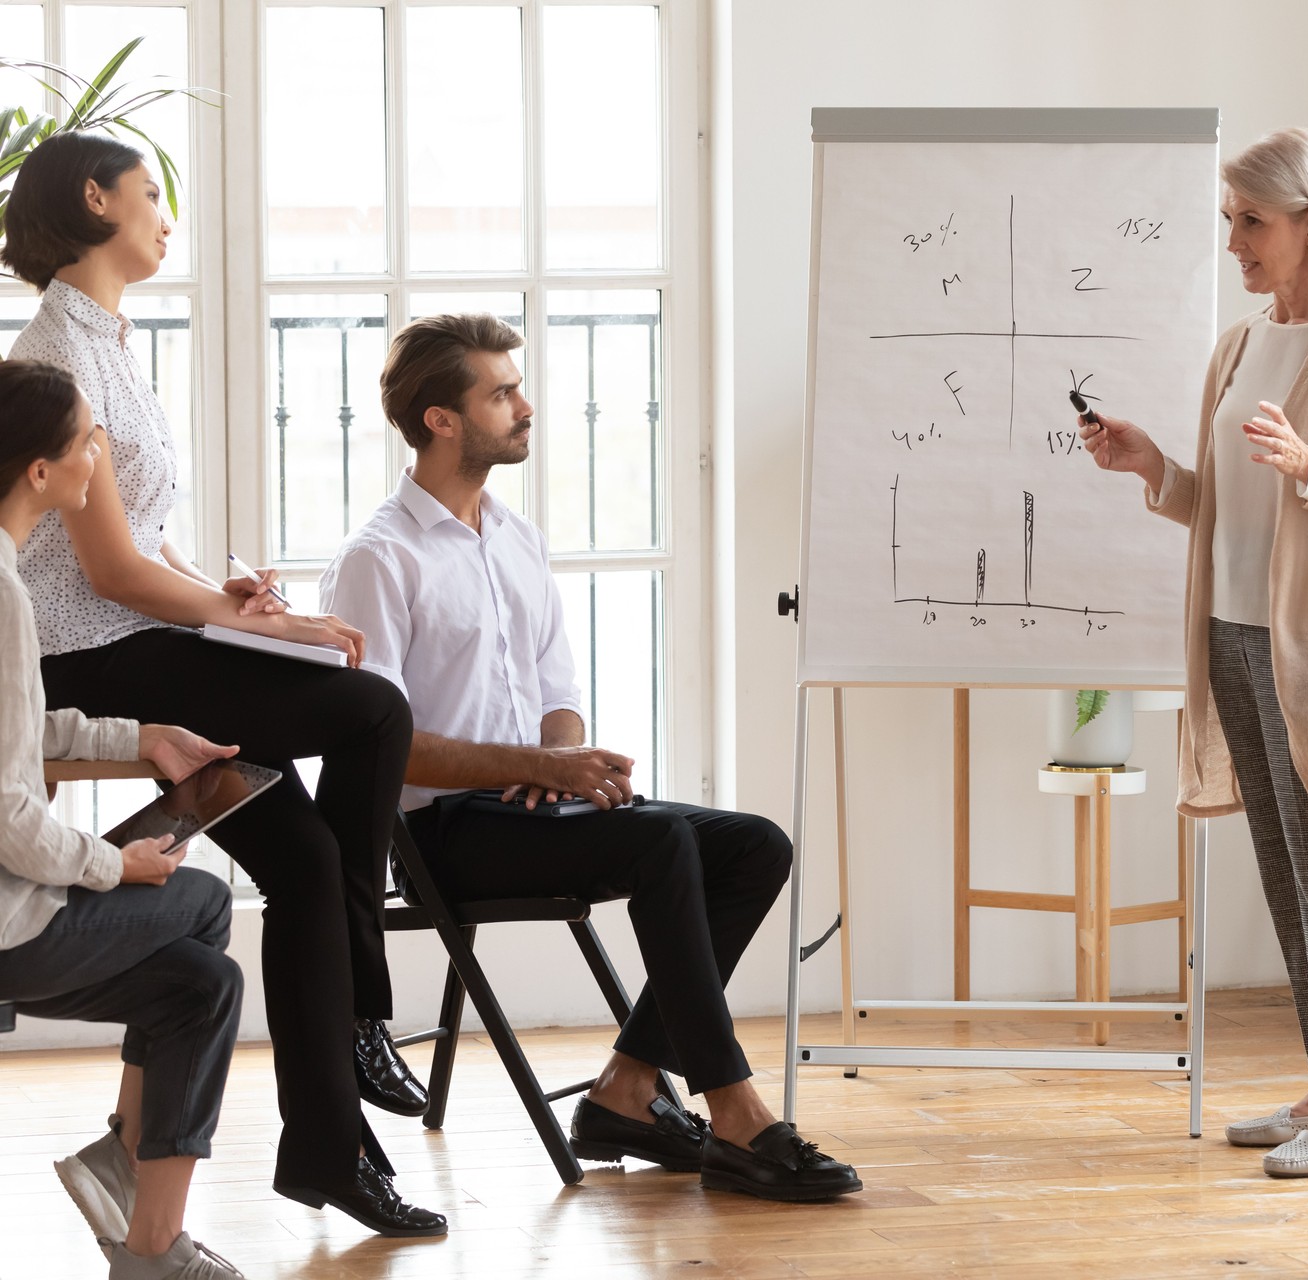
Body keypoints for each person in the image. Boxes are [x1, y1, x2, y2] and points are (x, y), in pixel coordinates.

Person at [0, 131, 443, 1236]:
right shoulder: (60, 349)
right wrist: (273, 622)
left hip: (138, 631)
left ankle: (330, 1150)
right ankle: (360, 1012)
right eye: (152, 193)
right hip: (91, 654)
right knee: (369, 705)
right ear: (94, 197)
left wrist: (229, 593)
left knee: (302, 855)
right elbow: (104, 574)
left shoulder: (110, 338)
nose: (166, 215)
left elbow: (142, 539)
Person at [318, 313, 862, 1202]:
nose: (524, 406)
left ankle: (626, 1090)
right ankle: (735, 1110)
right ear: (440, 419)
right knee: (661, 845)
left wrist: (555, 762)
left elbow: (556, 695)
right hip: (440, 834)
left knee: (754, 844)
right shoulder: (378, 559)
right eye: (500, 392)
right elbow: (385, 746)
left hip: (527, 808)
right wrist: (530, 771)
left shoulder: (516, 538)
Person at [1078, 127, 1308, 1177]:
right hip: (1236, 638)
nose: (1233, 240)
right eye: (1229, 219)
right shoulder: (1239, 346)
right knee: (1284, 870)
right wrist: (1158, 468)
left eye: (1252, 221)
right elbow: (1234, 510)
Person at [0, 360, 246, 1278]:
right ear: (41, 473)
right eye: (87, 439)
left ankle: (149, 1235)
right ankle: (130, 1183)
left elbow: (19, 728)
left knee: (201, 987)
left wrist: (142, 739)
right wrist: (116, 868)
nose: (101, 451)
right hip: (9, 928)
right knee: (202, 905)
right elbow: (11, 811)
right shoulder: (4, 594)